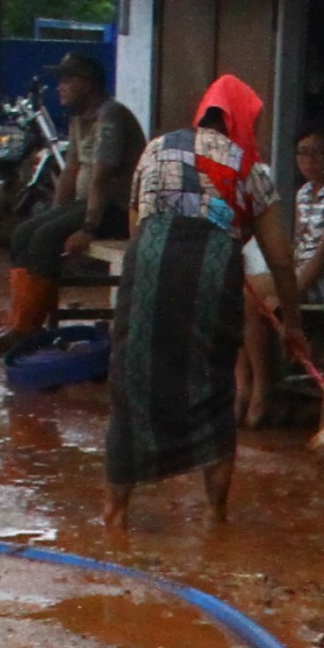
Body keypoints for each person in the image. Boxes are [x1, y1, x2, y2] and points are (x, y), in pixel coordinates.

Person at [106, 74, 300, 530]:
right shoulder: (251, 169)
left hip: (150, 262)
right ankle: (215, 514)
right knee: (211, 383)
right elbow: (282, 261)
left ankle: (116, 513)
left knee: (133, 380)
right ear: (241, 120)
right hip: (214, 269)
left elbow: (138, 227)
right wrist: (292, 323)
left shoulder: (155, 148)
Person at [0, 51, 143, 355]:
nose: (61, 86)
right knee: (25, 232)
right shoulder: (78, 119)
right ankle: (20, 321)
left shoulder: (111, 116)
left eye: (68, 79)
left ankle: (25, 330)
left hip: (118, 210)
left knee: (45, 238)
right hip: (91, 205)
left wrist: (87, 228)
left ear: (89, 84)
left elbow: (102, 178)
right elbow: (70, 172)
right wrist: (56, 215)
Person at [238, 127, 324, 419]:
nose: (311, 160)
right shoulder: (305, 193)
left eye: (319, 153)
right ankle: (246, 383)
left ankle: (264, 386)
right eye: (303, 153)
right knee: (241, 289)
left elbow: (323, 256)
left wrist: (289, 294)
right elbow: (299, 245)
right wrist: (282, 281)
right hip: (303, 272)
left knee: (252, 294)